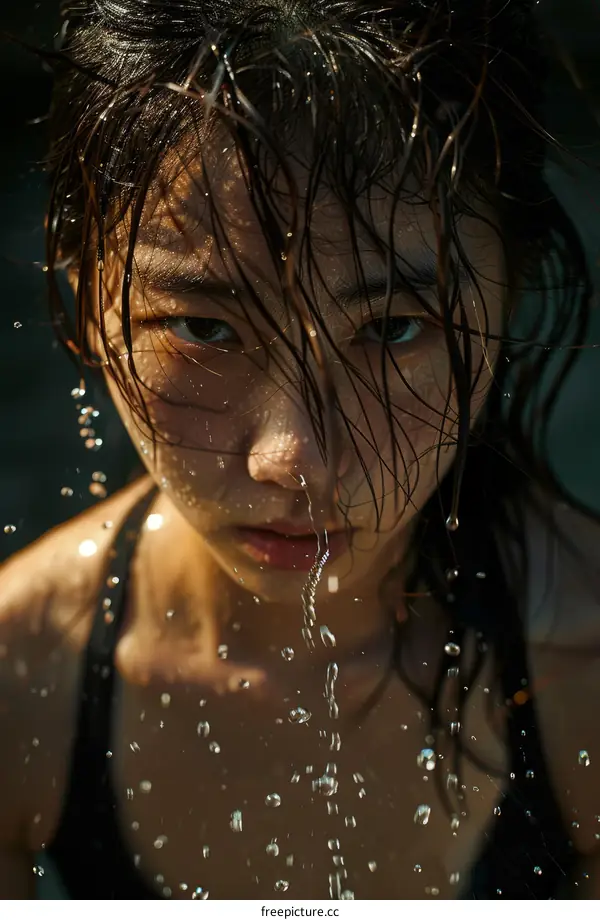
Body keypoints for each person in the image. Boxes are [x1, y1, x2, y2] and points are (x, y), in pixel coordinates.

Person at [1, 0, 599, 901]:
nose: (294, 458)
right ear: (88, 304)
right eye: (204, 327)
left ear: (509, 300)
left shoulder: (586, 677)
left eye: (394, 330)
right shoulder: (19, 691)